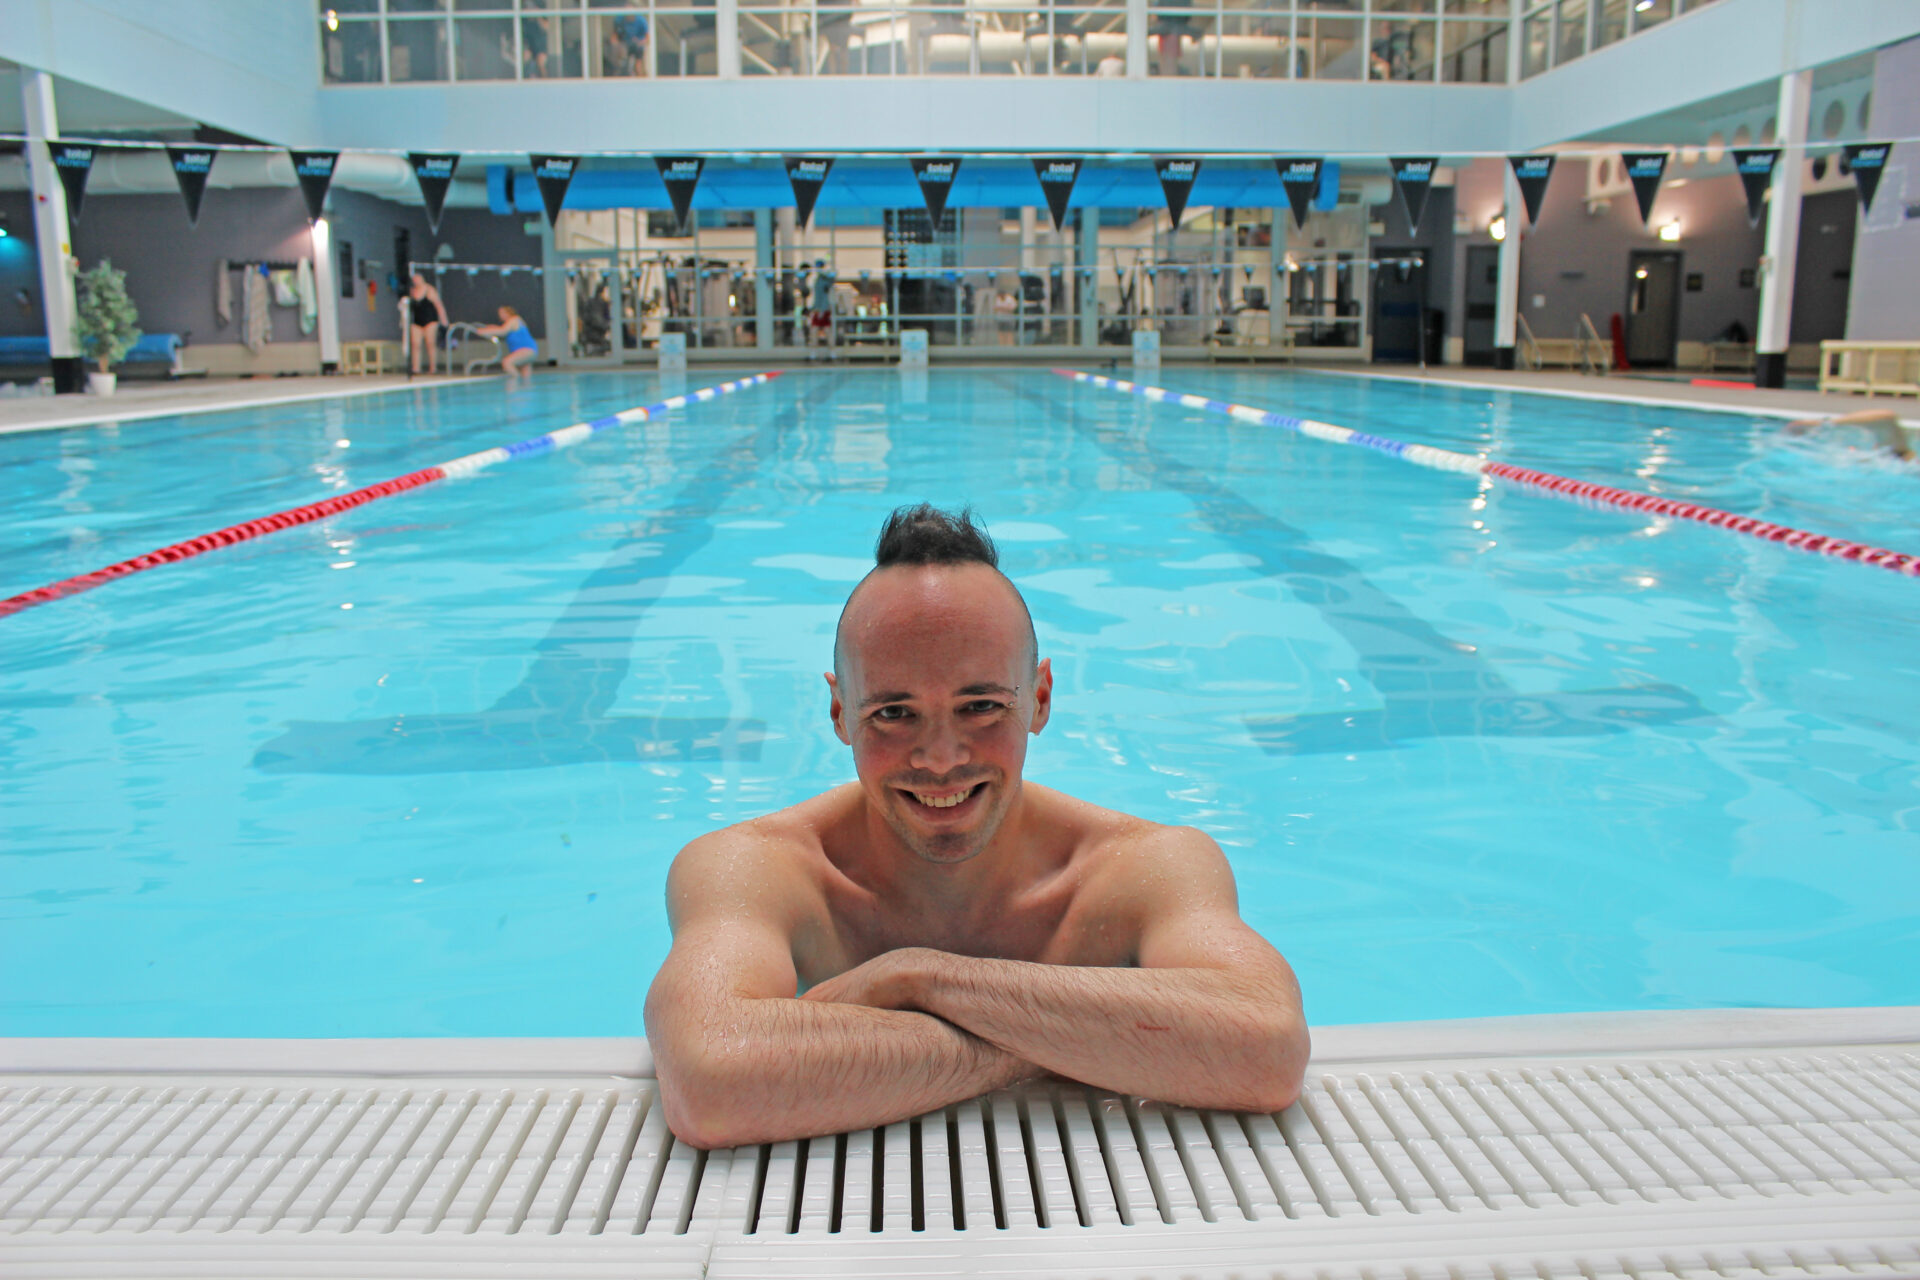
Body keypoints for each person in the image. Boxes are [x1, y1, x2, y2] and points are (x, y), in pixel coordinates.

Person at [645, 505, 1309, 1150]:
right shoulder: (756, 868)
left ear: (1040, 700)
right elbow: (709, 1086)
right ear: (840, 711)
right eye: (893, 713)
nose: (941, 757)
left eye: (982, 706)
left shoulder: (1144, 866)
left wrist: (919, 979)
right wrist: (1083, 1041)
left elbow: (1269, 1051)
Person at [1782, 409, 1915, 461]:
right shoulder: (1900, 457)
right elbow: (1886, 418)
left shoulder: (1899, 458)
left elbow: (1887, 418)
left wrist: (1822, 424)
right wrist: (1822, 423)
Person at [474, 305, 538, 379]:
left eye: (502, 312)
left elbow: (502, 331)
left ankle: (516, 382)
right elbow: (502, 329)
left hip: (526, 350)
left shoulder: (514, 319)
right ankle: (524, 387)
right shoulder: (513, 322)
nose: (500, 315)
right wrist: (490, 328)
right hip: (530, 350)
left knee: (507, 362)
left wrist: (483, 331)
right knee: (526, 377)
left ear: (508, 312)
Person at [406, 272, 448, 375]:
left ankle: (433, 367)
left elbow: (438, 305)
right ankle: (416, 368)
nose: (415, 281)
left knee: (430, 344)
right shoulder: (412, 292)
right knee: (415, 344)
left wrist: (444, 319)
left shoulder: (429, 290)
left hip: (430, 320)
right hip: (417, 321)